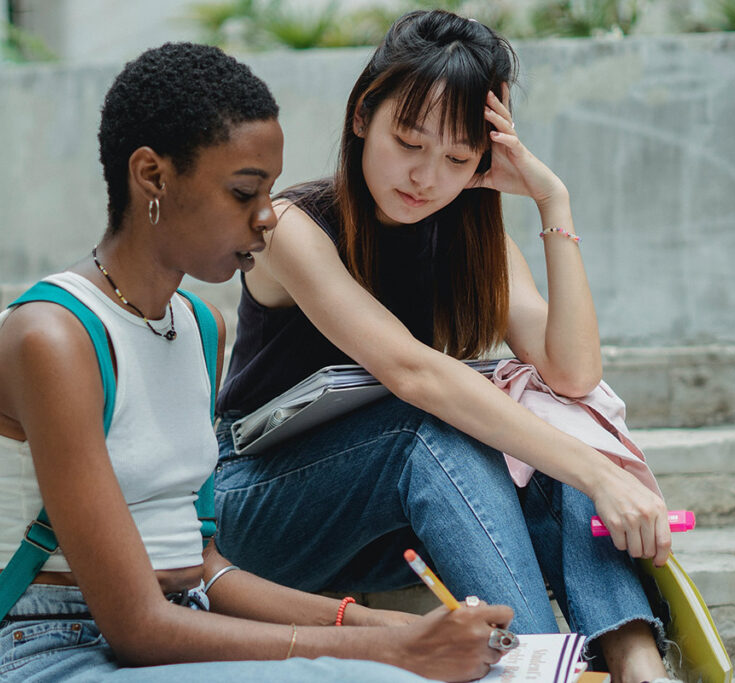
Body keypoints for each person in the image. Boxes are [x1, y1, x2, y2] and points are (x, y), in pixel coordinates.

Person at [0, 42, 515, 682]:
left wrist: (383, 626)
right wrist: (392, 651)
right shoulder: (53, 339)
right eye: (244, 192)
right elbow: (139, 627)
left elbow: (206, 567)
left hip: (189, 623)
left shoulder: (200, 327)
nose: (267, 218)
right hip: (57, 651)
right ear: (152, 177)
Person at [213, 11, 673, 683]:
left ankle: (638, 661)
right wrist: (600, 474)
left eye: (458, 157)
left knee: (556, 416)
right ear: (364, 116)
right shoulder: (292, 225)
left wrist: (553, 201)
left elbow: (573, 373)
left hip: (390, 530)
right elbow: (413, 374)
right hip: (264, 504)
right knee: (433, 423)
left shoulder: (473, 243)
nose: (426, 176)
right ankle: (538, 667)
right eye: (409, 141)